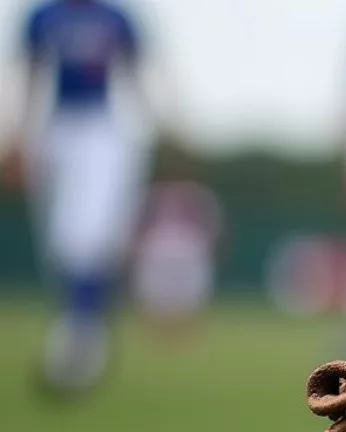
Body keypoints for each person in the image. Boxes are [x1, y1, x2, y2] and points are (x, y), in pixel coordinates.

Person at [3, 0, 154, 393]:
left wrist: (154, 131)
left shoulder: (115, 16)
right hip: (54, 130)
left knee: (87, 238)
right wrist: (18, 136)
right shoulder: (43, 15)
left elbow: (135, 78)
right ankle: (86, 330)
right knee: (60, 247)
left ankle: (78, 342)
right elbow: (31, 75)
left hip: (103, 130)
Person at [131, 159, 224, 337]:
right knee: (156, 291)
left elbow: (212, 224)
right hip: (158, 247)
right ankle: (161, 331)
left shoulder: (198, 195)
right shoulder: (154, 194)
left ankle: (182, 332)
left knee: (188, 292)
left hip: (188, 247)